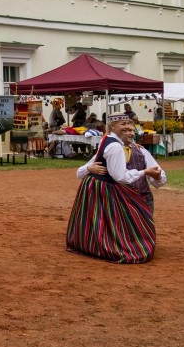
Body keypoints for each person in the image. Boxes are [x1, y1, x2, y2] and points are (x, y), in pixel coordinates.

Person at [66, 108, 157, 264]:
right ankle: (113, 247)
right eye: (123, 125)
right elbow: (120, 176)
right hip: (104, 188)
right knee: (123, 218)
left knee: (97, 222)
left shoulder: (108, 141)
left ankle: (90, 245)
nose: (128, 128)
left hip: (95, 187)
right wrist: (145, 172)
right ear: (112, 127)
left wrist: (89, 169)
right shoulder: (115, 146)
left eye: (130, 126)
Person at [78, 124, 166, 213]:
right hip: (116, 201)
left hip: (141, 199)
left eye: (133, 131)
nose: (131, 134)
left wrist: (157, 176)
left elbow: (159, 180)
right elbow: (80, 173)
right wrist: (89, 168)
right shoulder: (110, 149)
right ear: (117, 132)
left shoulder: (142, 151)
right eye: (127, 130)